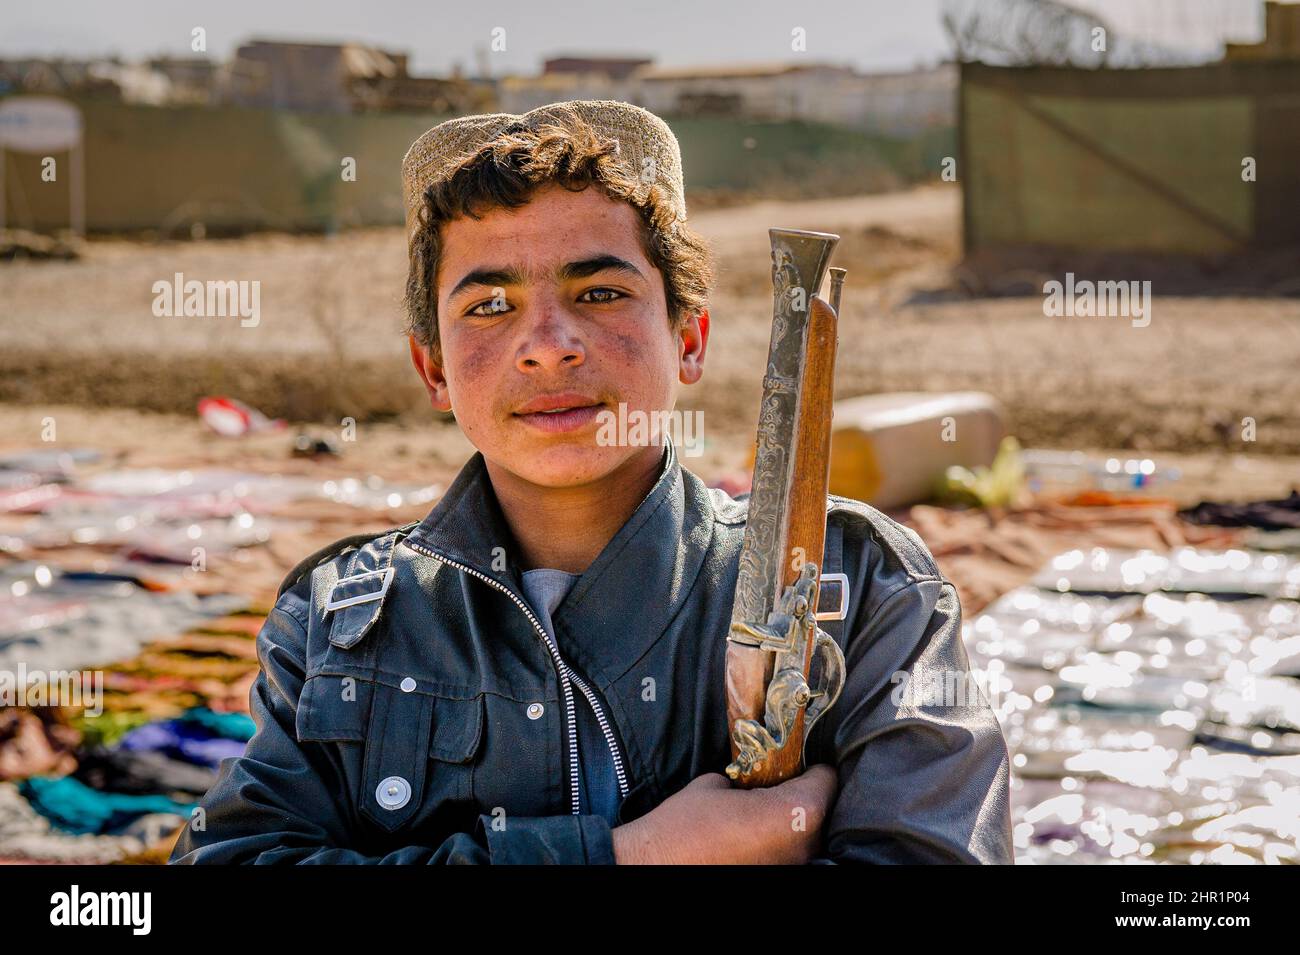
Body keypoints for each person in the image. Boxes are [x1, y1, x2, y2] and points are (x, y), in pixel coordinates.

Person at [169, 100, 1013, 864]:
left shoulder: (856, 588)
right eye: (489, 306)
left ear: (689, 336)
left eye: (601, 291)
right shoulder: (340, 625)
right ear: (432, 366)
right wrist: (632, 855)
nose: (547, 344)